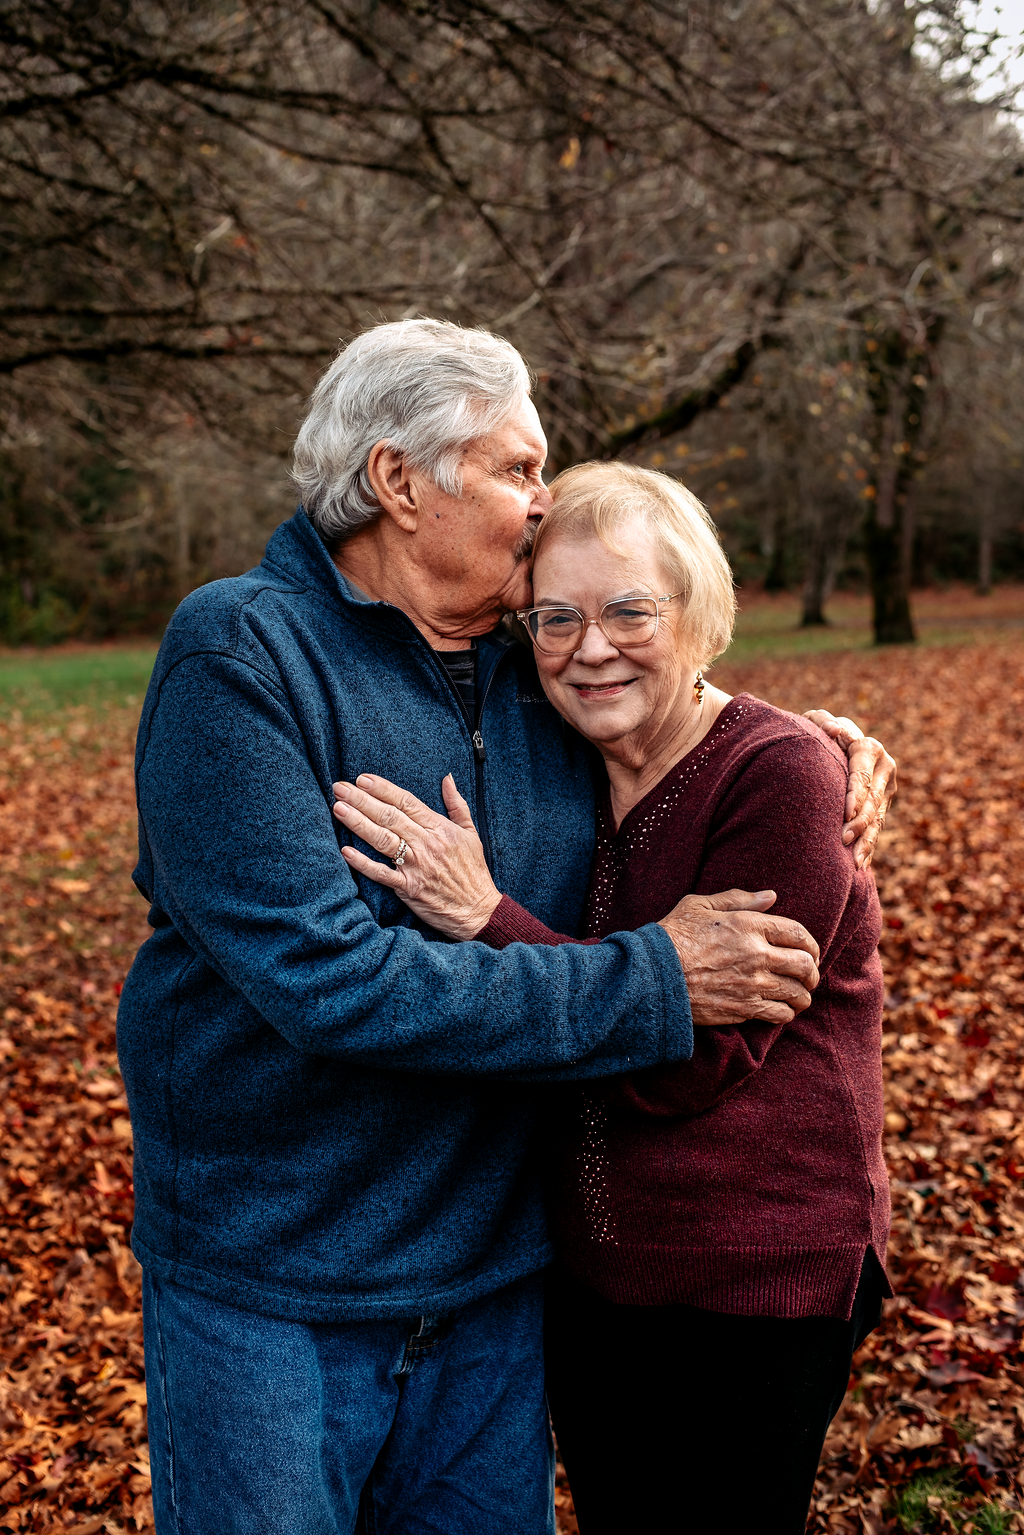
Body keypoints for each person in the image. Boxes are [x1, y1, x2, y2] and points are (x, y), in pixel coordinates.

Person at [118, 319, 895, 1535]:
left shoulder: (528, 671)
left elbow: (657, 691)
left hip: (495, 1287)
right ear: (397, 480)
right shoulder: (240, 652)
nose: (543, 500)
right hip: (276, 1289)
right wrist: (656, 979)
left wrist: (808, 748)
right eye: (518, 468)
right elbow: (330, 981)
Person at [335, 459, 892, 1535]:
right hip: (592, 1275)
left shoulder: (778, 776)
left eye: (630, 610)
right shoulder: (562, 765)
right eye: (557, 618)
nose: (592, 648)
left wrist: (485, 915)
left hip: (755, 1277)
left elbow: (688, 1062)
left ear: (698, 612)